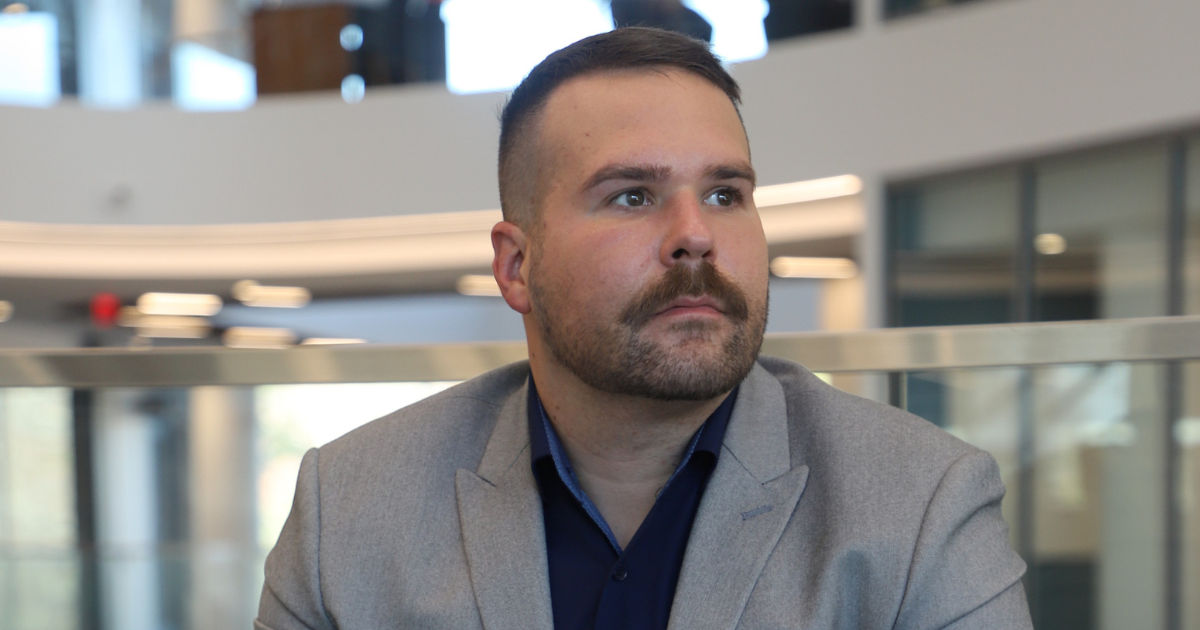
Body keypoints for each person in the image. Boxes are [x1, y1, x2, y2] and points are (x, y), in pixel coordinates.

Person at [255, 27, 1032, 630]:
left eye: (725, 194)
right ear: (517, 266)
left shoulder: (921, 501)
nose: (696, 234)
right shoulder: (350, 510)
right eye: (632, 196)